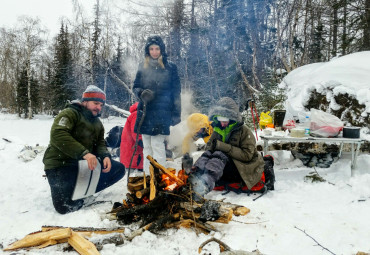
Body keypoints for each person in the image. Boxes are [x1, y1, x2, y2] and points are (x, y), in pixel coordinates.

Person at [43, 85, 125, 214]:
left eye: (101, 105)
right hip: (60, 165)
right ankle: (74, 191)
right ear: (85, 102)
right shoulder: (70, 113)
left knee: (118, 169)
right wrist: (84, 153)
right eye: (96, 103)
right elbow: (58, 135)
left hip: (82, 165)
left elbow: (100, 143)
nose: (98, 107)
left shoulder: (97, 123)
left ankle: (82, 191)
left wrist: (105, 156)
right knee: (64, 207)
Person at [189, 97, 265, 200]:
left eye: (225, 120)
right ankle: (193, 178)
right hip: (224, 167)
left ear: (232, 118)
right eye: (220, 119)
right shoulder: (217, 130)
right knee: (207, 155)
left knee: (219, 155)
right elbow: (209, 149)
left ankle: (203, 187)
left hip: (243, 168)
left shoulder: (244, 131)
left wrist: (223, 147)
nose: (222, 123)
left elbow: (247, 156)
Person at [133, 35, 181, 175]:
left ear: (162, 50)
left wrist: (176, 113)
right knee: (147, 146)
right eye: (151, 49)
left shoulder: (170, 67)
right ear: (147, 51)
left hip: (162, 111)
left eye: (157, 48)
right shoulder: (142, 66)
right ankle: (148, 178)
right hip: (146, 111)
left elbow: (176, 92)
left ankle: (160, 178)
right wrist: (141, 93)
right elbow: (135, 86)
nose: (154, 52)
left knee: (158, 145)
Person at [120, 102, 143, 171]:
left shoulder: (136, 114)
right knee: (136, 179)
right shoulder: (136, 115)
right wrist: (143, 142)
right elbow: (136, 133)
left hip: (131, 153)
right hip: (134, 155)